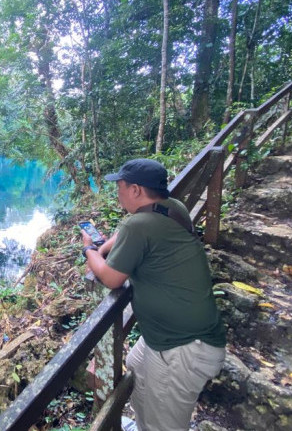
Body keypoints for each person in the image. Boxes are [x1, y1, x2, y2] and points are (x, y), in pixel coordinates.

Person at [81, 158, 226, 431]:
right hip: (178, 336)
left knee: (167, 425)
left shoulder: (138, 227)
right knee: (135, 367)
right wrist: (103, 248)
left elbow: (111, 278)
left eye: (120, 187)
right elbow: (129, 228)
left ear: (135, 190)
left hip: (184, 348)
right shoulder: (172, 209)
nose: (118, 193)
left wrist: (89, 250)